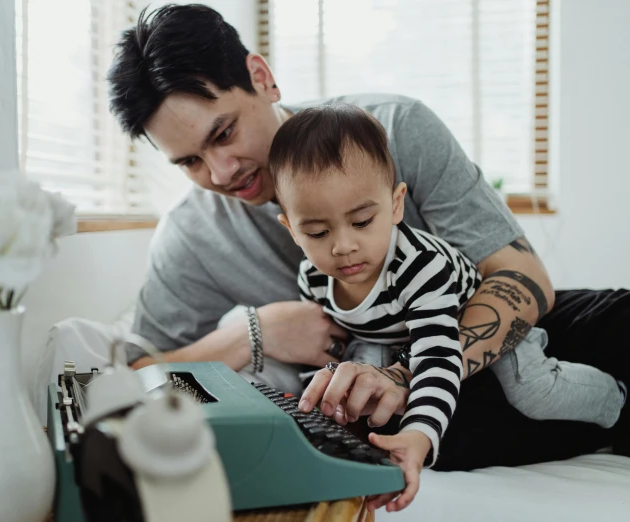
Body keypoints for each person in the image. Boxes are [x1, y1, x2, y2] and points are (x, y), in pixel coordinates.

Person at [106, 0, 629, 492]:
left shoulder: (394, 128)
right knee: (380, 426)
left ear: (261, 79)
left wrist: (406, 374)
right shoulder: (192, 236)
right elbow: (135, 375)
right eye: (189, 162)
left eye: (223, 134)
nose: (220, 172)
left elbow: (524, 278)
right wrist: (251, 334)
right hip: (381, 394)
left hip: (467, 336)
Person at [267, 103, 628, 511]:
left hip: (472, 324)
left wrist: (420, 435)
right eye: (317, 231)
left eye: (363, 221)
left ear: (396, 204)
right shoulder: (312, 278)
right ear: (291, 229)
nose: (343, 245)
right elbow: (335, 350)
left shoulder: (419, 266)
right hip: (399, 340)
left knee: (533, 391)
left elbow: (439, 356)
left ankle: (615, 400)